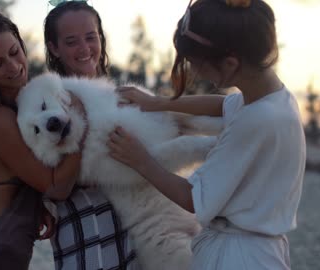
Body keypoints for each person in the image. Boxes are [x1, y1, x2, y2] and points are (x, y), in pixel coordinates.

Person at [107, 0, 306, 269]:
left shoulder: (257, 121)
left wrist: (139, 159)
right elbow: (221, 105)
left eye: (196, 63)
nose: (195, 71)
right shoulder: (274, 100)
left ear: (230, 63)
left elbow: (193, 198)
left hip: (238, 257)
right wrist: (159, 103)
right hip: (260, 251)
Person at [0, 8, 87, 270]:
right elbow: (56, 186)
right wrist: (81, 124)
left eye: (15, 52)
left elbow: (21, 177)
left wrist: (37, 205)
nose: (14, 68)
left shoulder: (20, 107)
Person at [43, 1, 139, 270]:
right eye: (71, 41)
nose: (84, 49)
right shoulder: (51, 105)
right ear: (54, 48)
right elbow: (48, 178)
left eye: (90, 37)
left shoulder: (121, 96)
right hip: (86, 239)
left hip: (131, 238)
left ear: (101, 38)